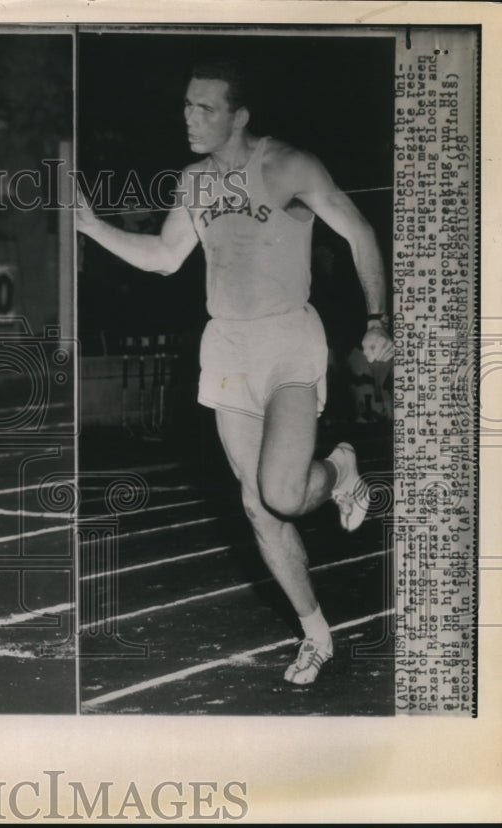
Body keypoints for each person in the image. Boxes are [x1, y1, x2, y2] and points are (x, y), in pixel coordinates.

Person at [77, 58, 395, 685]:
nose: (189, 118)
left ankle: (340, 468)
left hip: (287, 338)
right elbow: (166, 257)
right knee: (257, 507)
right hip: (225, 346)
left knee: (283, 493)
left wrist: (378, 317)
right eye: (186, 105)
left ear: (239, 115)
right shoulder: (193, 181)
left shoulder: (289, 165)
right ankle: (315, 634)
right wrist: (92, 227)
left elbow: (359, 235)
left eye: (206, 108)